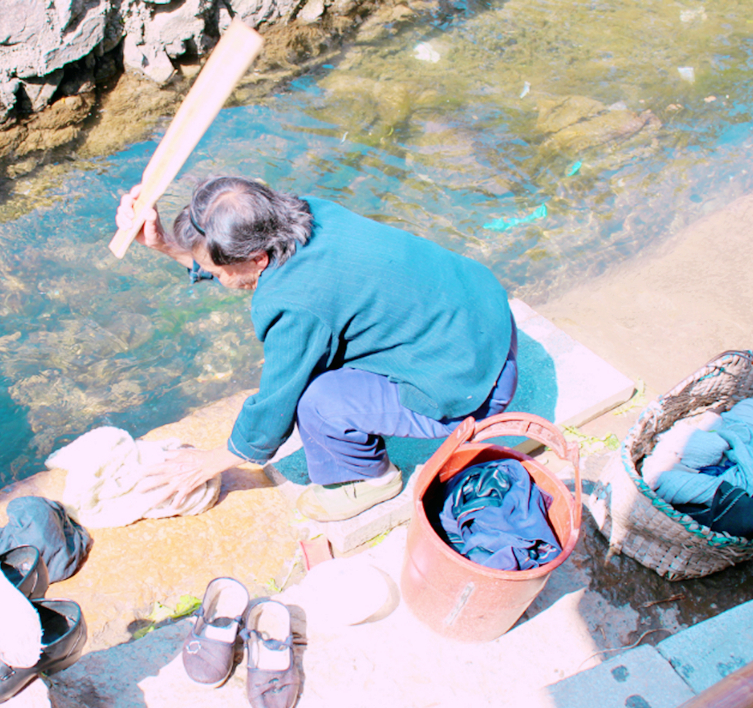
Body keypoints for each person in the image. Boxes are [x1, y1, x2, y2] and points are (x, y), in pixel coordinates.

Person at [115, 176, 518, 522]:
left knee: (316, 401)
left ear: (257, 258)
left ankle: (368, 481)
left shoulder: (293, 304)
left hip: (471, 385)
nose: (216, 279)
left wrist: (215, 459)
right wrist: (166, 245)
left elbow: (276, 402)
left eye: (218, 273)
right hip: (486, 317)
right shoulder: (308, 212)